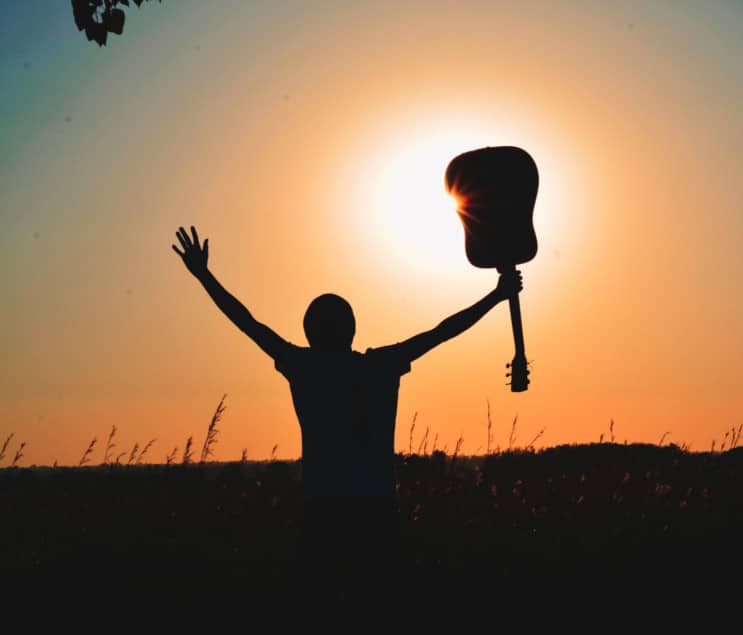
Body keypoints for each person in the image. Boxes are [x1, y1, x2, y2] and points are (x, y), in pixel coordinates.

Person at [171, 225, 522, 596]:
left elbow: (247, 323)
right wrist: (496, 296)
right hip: (377, 513)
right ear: (352, 329)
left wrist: (204, 276)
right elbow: (443, 331)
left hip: (322, 513)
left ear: (308, 332)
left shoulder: (302, 367)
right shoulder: (380, 367)